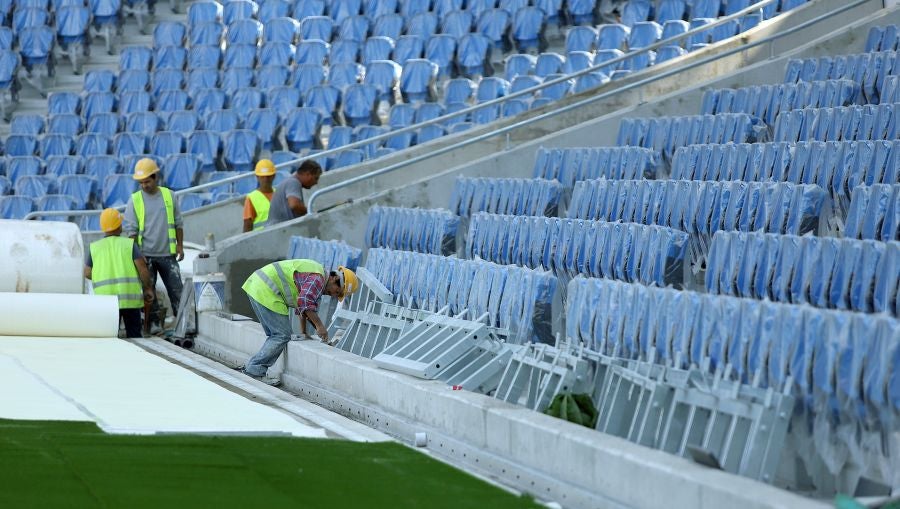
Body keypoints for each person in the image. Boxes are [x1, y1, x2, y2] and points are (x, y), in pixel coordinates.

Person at [239, 259, 359, 385]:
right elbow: (304, 302)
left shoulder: (317, 277)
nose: (333, 295)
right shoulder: (318, 278)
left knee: (275, 335)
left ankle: (252, 367)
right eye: (337, 291)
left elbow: (303, 308)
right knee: (281, 335)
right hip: (266, 289)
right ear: (335, 278)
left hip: (257, 285)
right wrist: (320, 326)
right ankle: (254, 370)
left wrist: (304, 332)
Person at [123, 158, 185, 331]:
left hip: (167, 255)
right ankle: (154, 326)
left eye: (147, 182)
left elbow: (178, 223)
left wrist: (180, 245)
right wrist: (137, 256)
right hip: (146, 256)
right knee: (149, 293)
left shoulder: (169, 196)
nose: (144, 186)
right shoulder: (135, 200)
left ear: (155, 177)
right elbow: (131, 232)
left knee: (177, 291)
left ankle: (184, 325)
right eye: (141, 183)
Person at [84, 208, 156, 338]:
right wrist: (148, 288)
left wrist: (102, 275)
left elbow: (87, 272)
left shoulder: (95, 247)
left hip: (106, 302)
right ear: (119, 226)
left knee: (109, 338)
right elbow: (142, 269)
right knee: (135, 336)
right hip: (130, 301)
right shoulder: (129, 244)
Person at [265, 159, 323, 226]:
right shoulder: (293, 182)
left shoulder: (291, 181)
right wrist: (310, 211)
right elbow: (294, 205)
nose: (316, 182)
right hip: (278, 229)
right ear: (307, 174)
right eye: (316, 178)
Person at [242, 159, 276, 233]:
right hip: (260, 237)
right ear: (257, 177)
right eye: (262, 177)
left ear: (274, 176)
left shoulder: (279, 193)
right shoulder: (251, 198)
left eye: (268, 176)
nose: (265, 179)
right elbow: (247, 226)